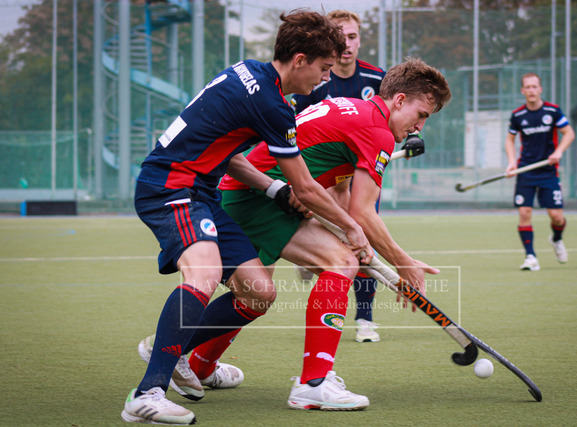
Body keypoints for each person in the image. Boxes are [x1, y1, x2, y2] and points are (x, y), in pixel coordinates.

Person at [122, 10, 373, 425]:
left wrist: (274, 190)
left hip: (202, 194)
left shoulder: (249, 73)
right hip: (171, 187)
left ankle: (175, 351)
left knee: (259, 293)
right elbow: (307, 187)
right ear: (300, 60)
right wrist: (352, 229)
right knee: (204, 272)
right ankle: (148, 392)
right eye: (324, 68)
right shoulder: (272, 105)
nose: (325, 78)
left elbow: (231, 155)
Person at [185, 58, 451, 411]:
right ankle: (313, 383)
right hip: (262, 197)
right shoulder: (378, 132)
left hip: (249, 193)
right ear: (399, 100)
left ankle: (197, 365)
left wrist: (348, 234)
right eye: (421, 115)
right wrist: (403, 263)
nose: (419, 127)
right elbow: (363, 212)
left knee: (254, 295)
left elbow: (338, 191)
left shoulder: (354, 109)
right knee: (340, 263)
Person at [291, 9, 425, 343]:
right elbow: (295, 130)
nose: (347, 44)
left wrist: (411, 136)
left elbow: (398, 117)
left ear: (360, 39)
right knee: (346, 239)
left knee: (363, 233)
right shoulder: (315, 77)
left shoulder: (377, 78)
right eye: (340, 36)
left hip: (359, 172)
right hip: (323, 173)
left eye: (352, 36)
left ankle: (365, 317)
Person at [505, 72, 575, 271]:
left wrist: (558, 152)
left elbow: (569, 133)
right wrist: (512, 162)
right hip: (526, 171)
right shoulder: (518, 115)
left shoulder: (553, 111)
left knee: (556, 217)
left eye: (534, 86)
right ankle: (531, 257)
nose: (531, 90)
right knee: (524, 212)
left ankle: (557, 238)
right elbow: (509, 140)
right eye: (527, 87)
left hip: (548, 172)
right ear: (522, 90)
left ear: (540, 89)